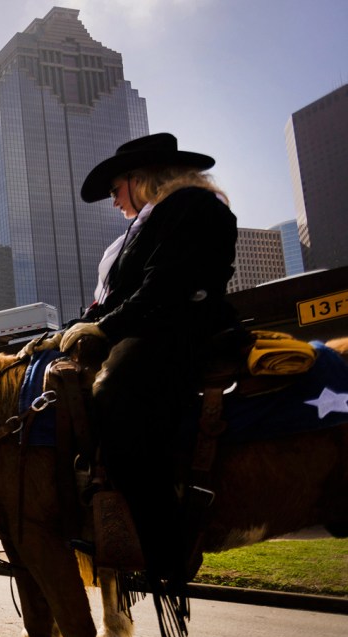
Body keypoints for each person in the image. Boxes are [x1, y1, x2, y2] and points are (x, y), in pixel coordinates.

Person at [59, 132, 242, 595]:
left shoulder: (196, 207)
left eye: (116, 189)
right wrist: (76, 327)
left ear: (141, 178)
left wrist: (105, 328)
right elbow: (117, 297)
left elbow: (165, 285)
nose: (114, 200)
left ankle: (162, 545)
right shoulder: (148, 221)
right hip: (148, 323)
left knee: (114, 394)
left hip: (180, 328)